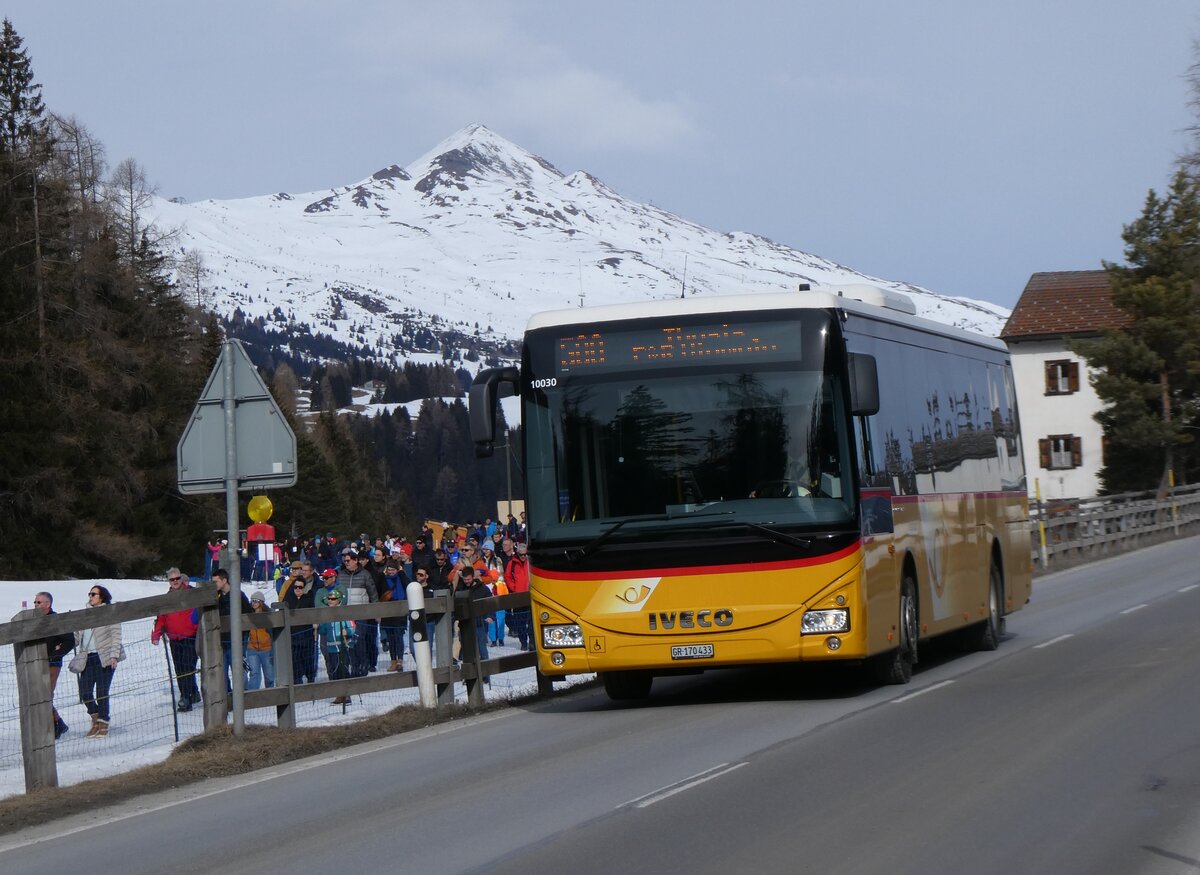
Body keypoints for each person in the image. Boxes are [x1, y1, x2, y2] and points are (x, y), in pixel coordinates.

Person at [75, 585, 124, 738]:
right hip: (87, 658)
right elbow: (77, 637)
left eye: (93, 594)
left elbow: (116, 635)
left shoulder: (109, 613)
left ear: (102, 597)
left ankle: (103, 722)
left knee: (102, 692)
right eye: (89, 594)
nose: (90, 596)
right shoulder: (84, 614)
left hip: (104, 657)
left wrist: (114, 655)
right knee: (85, 692)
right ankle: (95, 719)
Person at [151, 568, 201, 712]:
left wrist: (197, 626)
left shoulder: (191, 594)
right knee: (180, 668)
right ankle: (191, 693)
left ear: (181, 578)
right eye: (172, 580)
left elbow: (200, 611)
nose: (175, 582)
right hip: (174, 638)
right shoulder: (167, 598)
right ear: (169, 581)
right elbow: (161, 618)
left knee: (187, 666)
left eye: (177, 579)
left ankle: (186, 697)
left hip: (190, 636)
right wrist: (157, 634)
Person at [33, 591, 75, 740]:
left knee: (46, 694)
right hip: (35, 662)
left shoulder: (56, 620)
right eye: (35, 602)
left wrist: (57, 653)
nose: (36, 605)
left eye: (38, 602)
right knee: (38, 694)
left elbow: (70, 640)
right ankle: (58, 722)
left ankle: (55, 725)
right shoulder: (33, 620)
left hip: (52, 663)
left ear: (48, 604)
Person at [336, 548, 378, 677]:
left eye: (348, 560)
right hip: (346, 615)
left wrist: (375, 611)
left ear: (355, 560)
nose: (346, 563)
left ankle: (363, 664)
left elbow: (373, 593)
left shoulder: (365, 574)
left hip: (361, 614)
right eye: (344, 561)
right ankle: (354, 666)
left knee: (359, 640)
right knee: (349, 642)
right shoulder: (341, 574)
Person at [213, 568, 251, 693]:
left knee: (239, 671)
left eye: (216, 582)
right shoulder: (215, 597)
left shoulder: (238, 595)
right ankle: (227, 697)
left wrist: (244, 636)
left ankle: (242, 696)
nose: (214, 585)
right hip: (221, 641)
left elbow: (249, 615)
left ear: (224, 580)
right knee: (222, 672)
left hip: (237, 640)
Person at [280, 562, 318, 684]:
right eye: (296, 587)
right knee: (295, 663)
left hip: (306, 637)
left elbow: (313, 615)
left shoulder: (309, 598)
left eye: (300, 587)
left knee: (308, 661)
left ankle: (310, 681)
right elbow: (282, 611)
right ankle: (297, 684)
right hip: (293, 637)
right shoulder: (288, 599)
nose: (297, 589)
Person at [317, 588, 355, 704]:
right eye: (329, 599)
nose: (330, 601)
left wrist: (347, 632)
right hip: (331, 648)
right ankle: (339, 694)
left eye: (332, 599)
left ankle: (347, 694)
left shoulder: (345, 614)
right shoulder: (326, 615)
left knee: (343, 670)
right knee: (334, 671)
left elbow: (352, 628)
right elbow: (323, 630)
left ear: (338, 601)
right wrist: (319, 626)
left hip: (343, 647)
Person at [378, 559, 409, 671]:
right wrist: (383, 572)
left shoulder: (401, 578)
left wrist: (401, 572)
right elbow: (378, 583)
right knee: (391, 638)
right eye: (389, 569)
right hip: (387, 612)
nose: (391, 572)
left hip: (400, 612)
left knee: (398, 636)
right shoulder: (383, 579)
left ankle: (400, 660)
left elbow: (408, 584)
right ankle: (393, 661)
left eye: (393, 569)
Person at [505, 541, 533, 651]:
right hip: (518, 596)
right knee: (520, 622)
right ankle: (523, 641)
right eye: (521, 554)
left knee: (531, 622)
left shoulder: (530, 562)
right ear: (517, 553)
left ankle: (532, 642)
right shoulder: (512, 563)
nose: (523, 556)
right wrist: (514, 587)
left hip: (530, 595)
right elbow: (507, 577)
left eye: (525, 554)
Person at [245, 592, 275, 690]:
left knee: (270, 675)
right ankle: (252, 696)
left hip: (266, 649)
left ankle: (270, 695)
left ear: (261, 602)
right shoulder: (248, 615)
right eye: (252, 601)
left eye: (256, 601)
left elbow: (272, 633)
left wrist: (272, 648)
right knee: (254, 674)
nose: (253, 603)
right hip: (252, 648)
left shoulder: (268, 615)